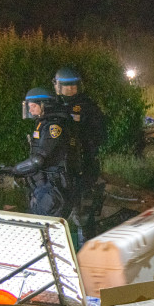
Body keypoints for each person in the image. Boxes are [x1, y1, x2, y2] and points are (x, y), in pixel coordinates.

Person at [53, 67, 106, 237]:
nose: (70, 90)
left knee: (83, 209)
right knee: (59, 207)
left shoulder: (87, 106)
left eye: (73, 86)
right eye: (66, 86)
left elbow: (100, 133)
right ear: (58, 87)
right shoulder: (54, 105)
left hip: (83, 164)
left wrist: (84, 137)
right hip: (61, 166)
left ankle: (86, 244)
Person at [8, 88, 74, 218]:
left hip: (53, 187)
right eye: (29, 107)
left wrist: (16, 169)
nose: (30, 110)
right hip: (46, 185)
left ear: (45, 105)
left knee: (41, 223)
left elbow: (38, 160)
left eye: (33, 106)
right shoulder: (44, 124)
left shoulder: (53, 126)